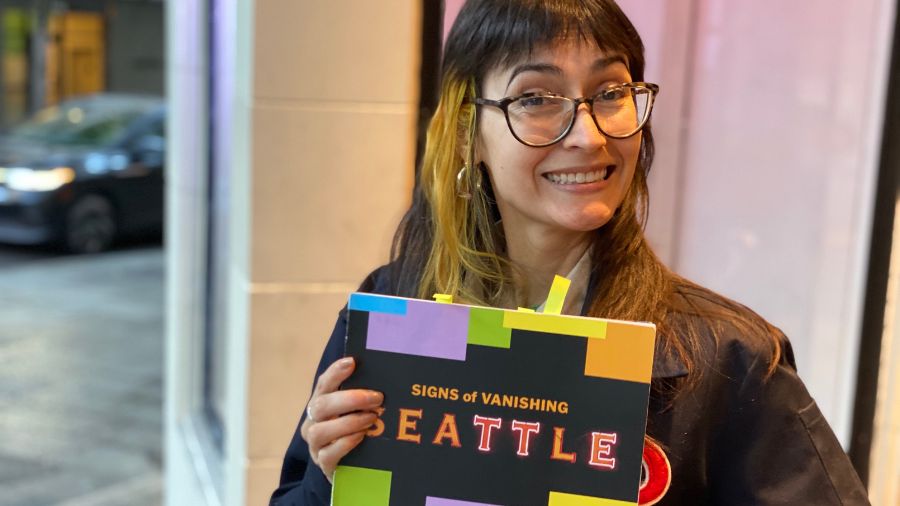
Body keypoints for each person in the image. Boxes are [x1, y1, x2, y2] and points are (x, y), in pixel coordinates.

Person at [270, 1, 870, 504]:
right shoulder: (393, 314)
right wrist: (328, 481)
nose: (589, 135)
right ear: (465, 130)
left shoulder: (730, 360)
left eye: (610, 91)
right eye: (536, 98)